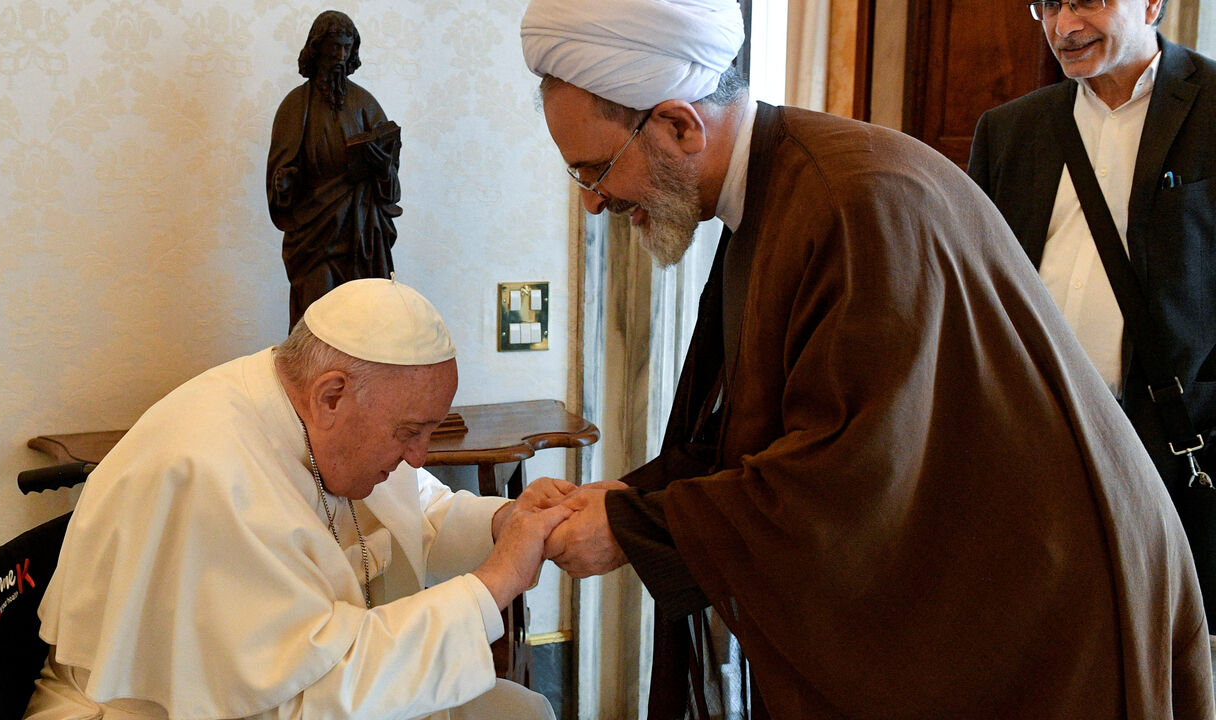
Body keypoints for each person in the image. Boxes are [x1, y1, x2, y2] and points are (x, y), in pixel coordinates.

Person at [519, 0, 1213, 717]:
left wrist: (638, 527)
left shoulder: (852, 203)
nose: (595, 204)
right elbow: (749, 434)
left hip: (1047, 606)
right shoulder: (767, 192)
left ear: (678, 125)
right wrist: (626, 501)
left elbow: (854, 479)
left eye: (593, 171)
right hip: (992, 585)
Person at [24, 278, 571, 720]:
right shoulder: (211, 475)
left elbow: (415, 511)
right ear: (332, 394)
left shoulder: (303, 407)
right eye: (409, 432)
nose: (418, 456)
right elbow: (306, 696)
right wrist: (499, 580)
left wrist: (505, 520)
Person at [968, 0, 1216, 629]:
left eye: (1085, 1)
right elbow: (974, 295)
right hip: (1034, 445)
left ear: (1153, 3)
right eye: (1047, 5)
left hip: (1172, 450)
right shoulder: (1009, 130)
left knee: (1159, 652)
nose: (1063, 27)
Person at [268, 10, 403, 332]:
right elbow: (280, 172)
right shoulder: (295, 106)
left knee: (361, 321)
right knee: (317, 319)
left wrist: (381, 164)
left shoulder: (364, 104)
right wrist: (284, 184)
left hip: (361, 228)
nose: (340, 56)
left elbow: (390, 176)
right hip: (314, 231)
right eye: (333, 47)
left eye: (346, 48)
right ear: (317, 48)